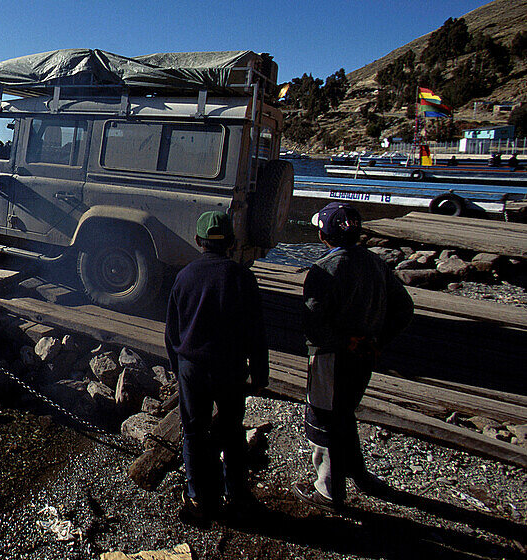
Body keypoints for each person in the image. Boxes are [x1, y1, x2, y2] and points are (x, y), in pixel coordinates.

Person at [291, 203, 414, 510]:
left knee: (323, 418)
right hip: (365, 356)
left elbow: (314, 323)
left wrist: (344, 341)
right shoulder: (375, 262)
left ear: (324, 235)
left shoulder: (324, 270)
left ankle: (328, 490)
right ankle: (357, 473)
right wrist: (377, 340)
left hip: (331, 357)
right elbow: (404, 308)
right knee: (345, 412)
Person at [165, 211, 268, 526]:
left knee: (194, 432)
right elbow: (256, 332)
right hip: (229, 367)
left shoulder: (184, 277)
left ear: (198, 241)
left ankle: (197, 495)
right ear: (232, 242)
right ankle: (235, 492)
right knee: (233, 431)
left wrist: (177, 369)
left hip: (192, 367)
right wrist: (259, 373)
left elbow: (172, 332)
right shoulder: (241, 277)